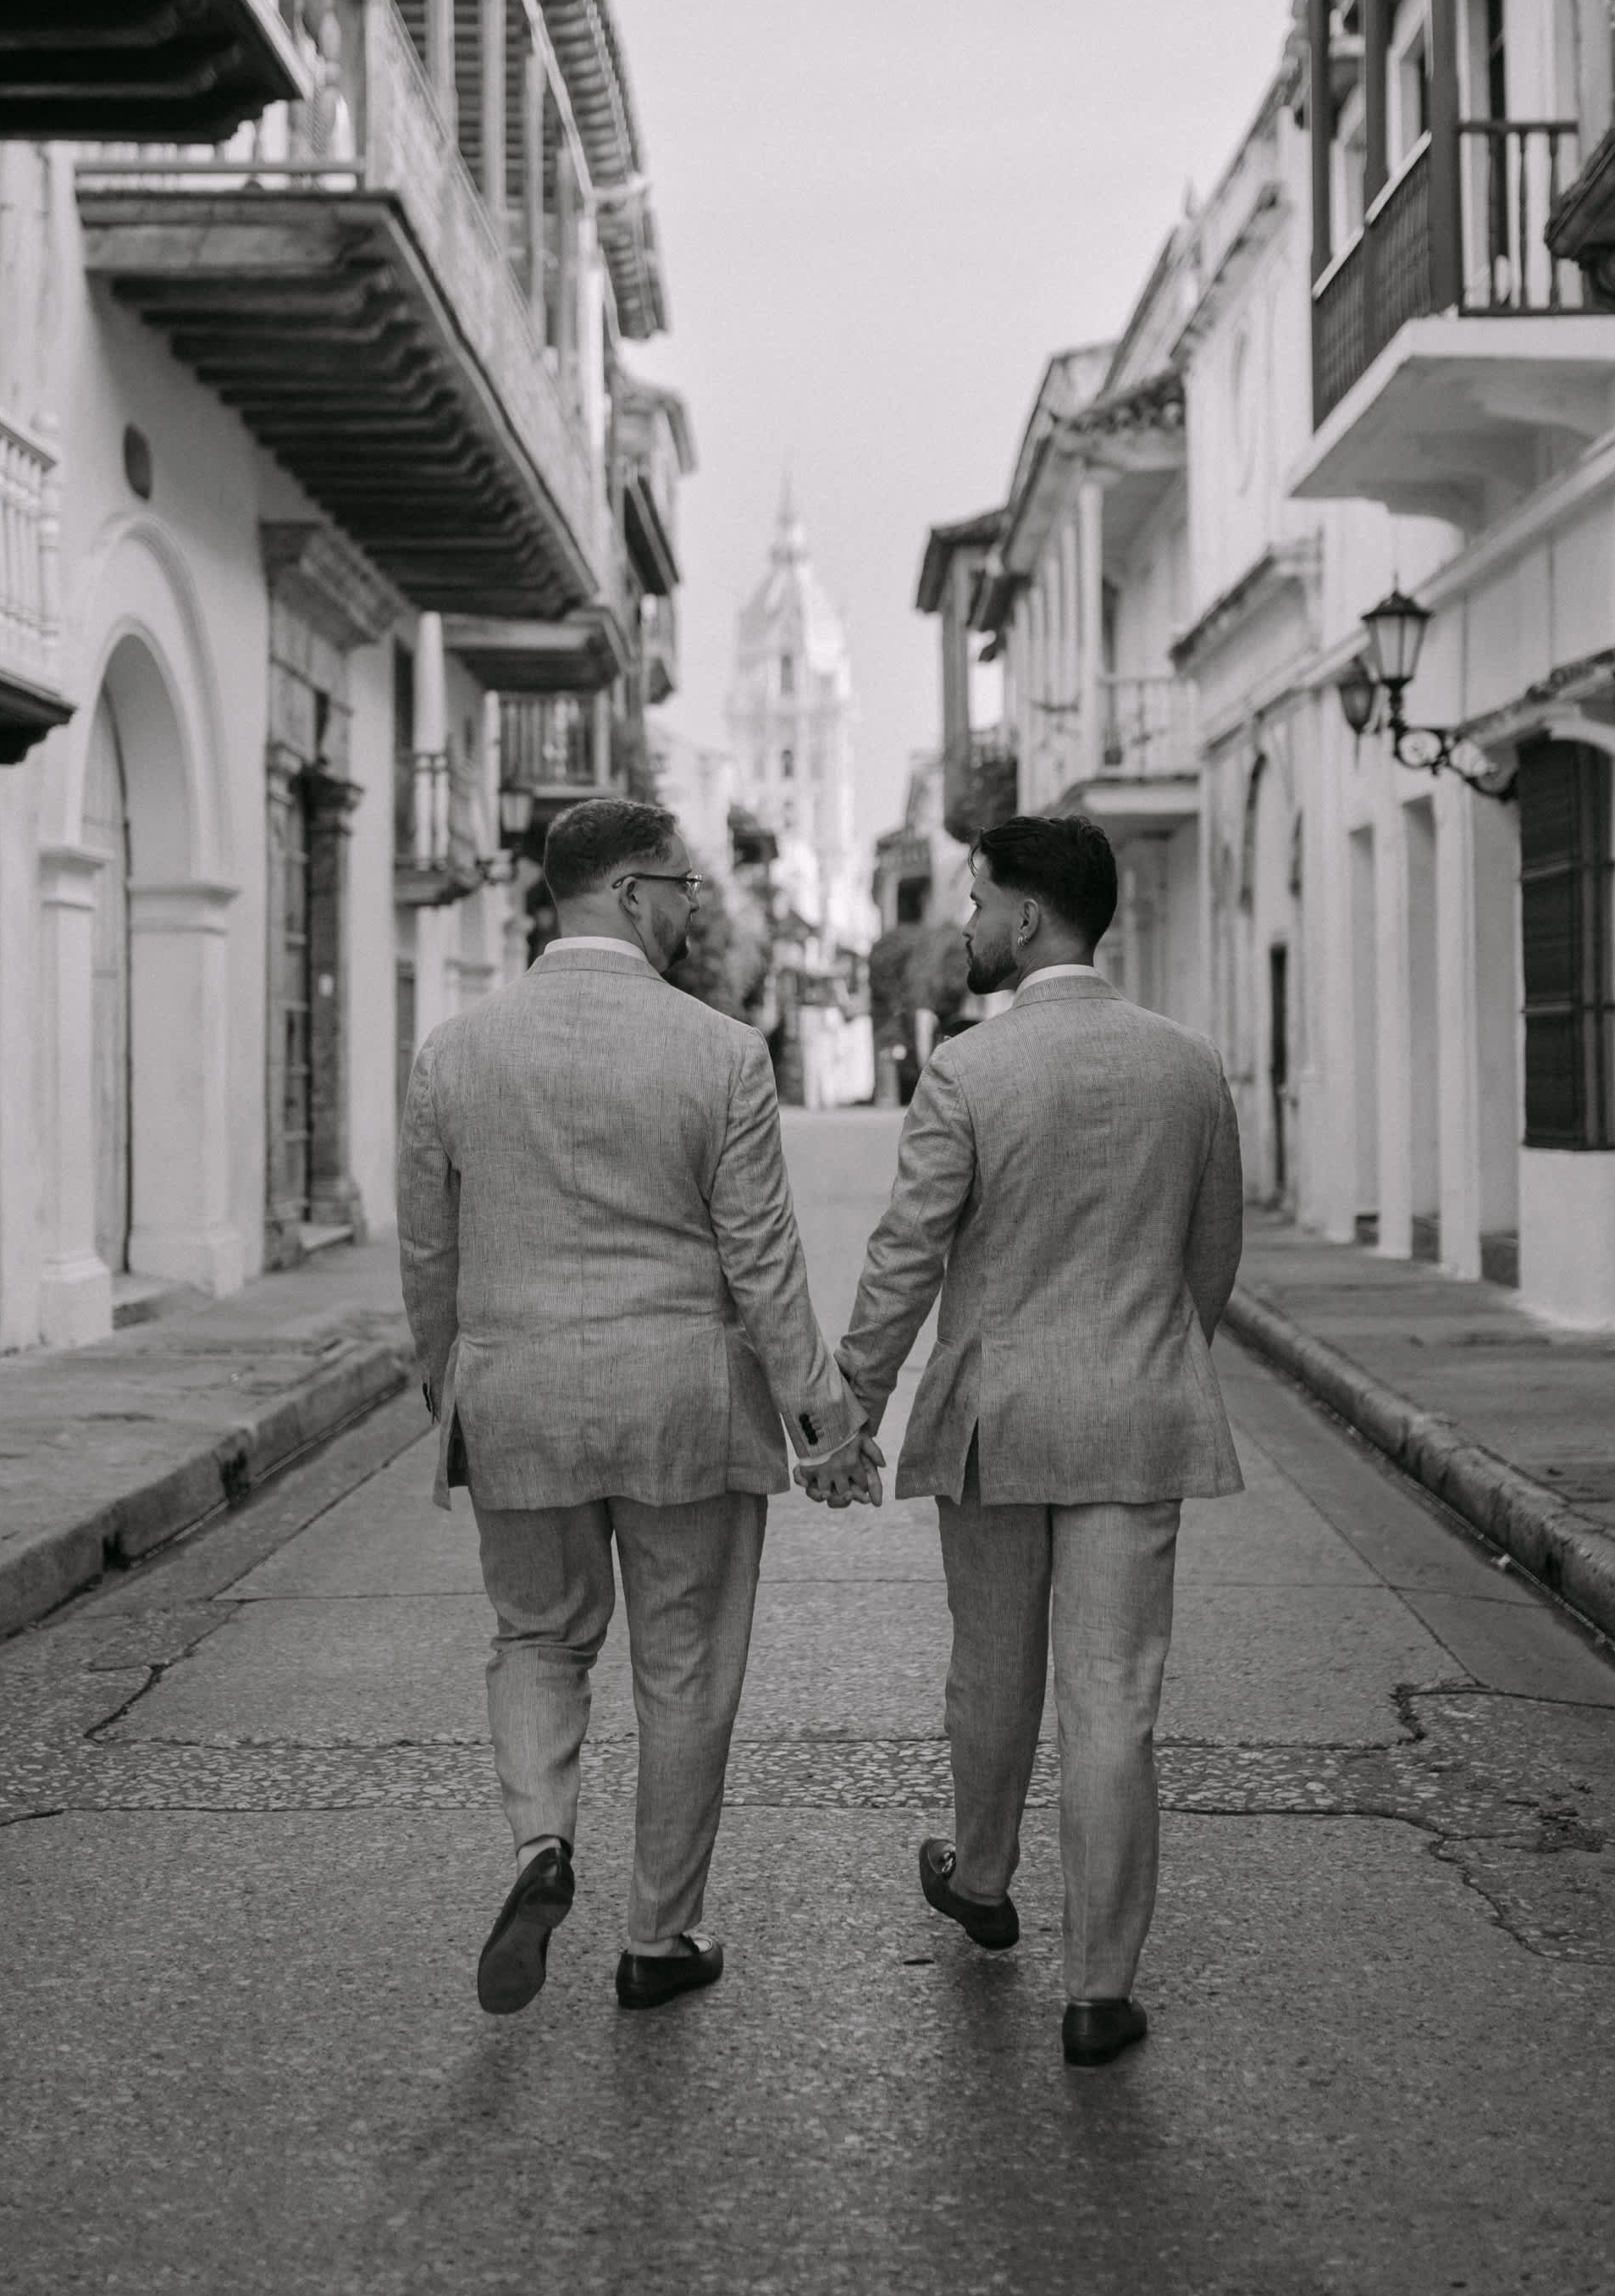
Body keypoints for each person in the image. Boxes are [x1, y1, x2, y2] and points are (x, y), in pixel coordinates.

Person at [397, 797, 880, 2022]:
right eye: (678, 884)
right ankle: (657, 1938)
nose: (692, 904)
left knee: (537, 1638)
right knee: (684, 1671)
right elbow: (763, 1264)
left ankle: (540, 1844)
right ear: (625, 893)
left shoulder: (451, 1053)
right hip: (682, 1404)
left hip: (517, 1396)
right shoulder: (716, 1052)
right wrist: (822, 1424)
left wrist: (448, 1384)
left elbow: (427, 1257)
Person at [835, 814, 1244, 2070]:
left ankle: (984, 1869)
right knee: (1113, 1701)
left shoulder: (968, 1071)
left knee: (991, 1667)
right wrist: (1151, 1362)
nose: (964, 923)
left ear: (1022, 918)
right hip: (1134, 1408)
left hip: (995, 1421)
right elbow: (1210, 1257)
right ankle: (1098, 1990)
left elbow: (907, 1256)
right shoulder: (1187, 1066)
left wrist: (851, 1400)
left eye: (973, 901)